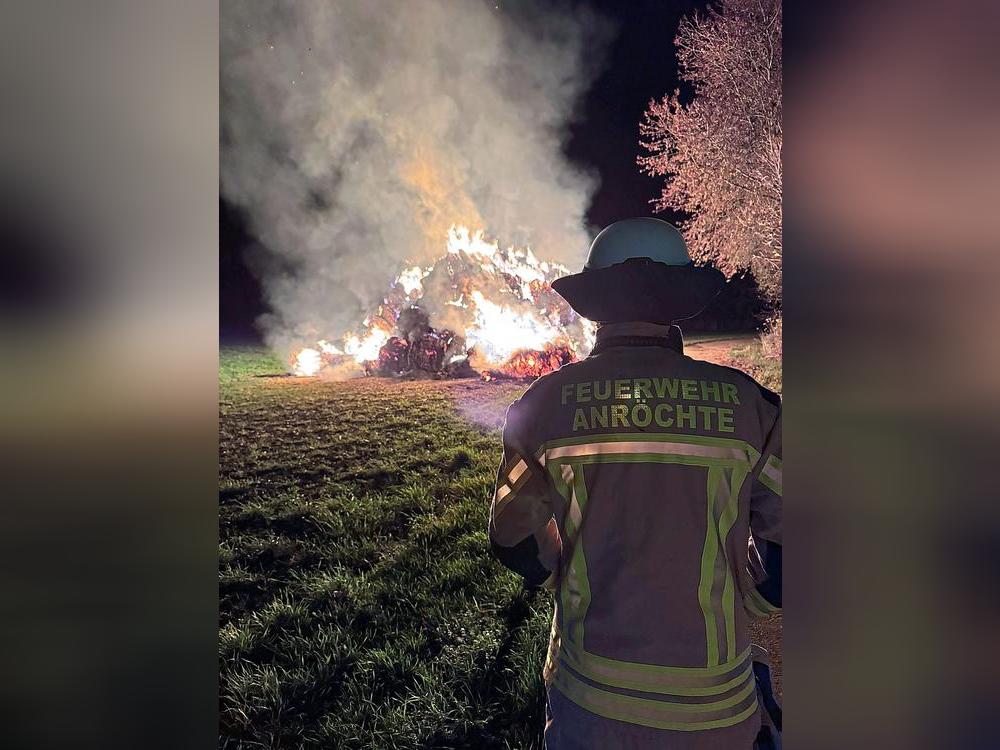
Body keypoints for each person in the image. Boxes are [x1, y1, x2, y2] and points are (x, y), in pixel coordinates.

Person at [487, 218, 782, 749]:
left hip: (588, 699)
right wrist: (748, 597)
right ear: (678, 303)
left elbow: (515, 543)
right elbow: (788, 560)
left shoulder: (542, 405)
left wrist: (566, 570)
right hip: (715, 702)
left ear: (596, 306)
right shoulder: (751, 406)